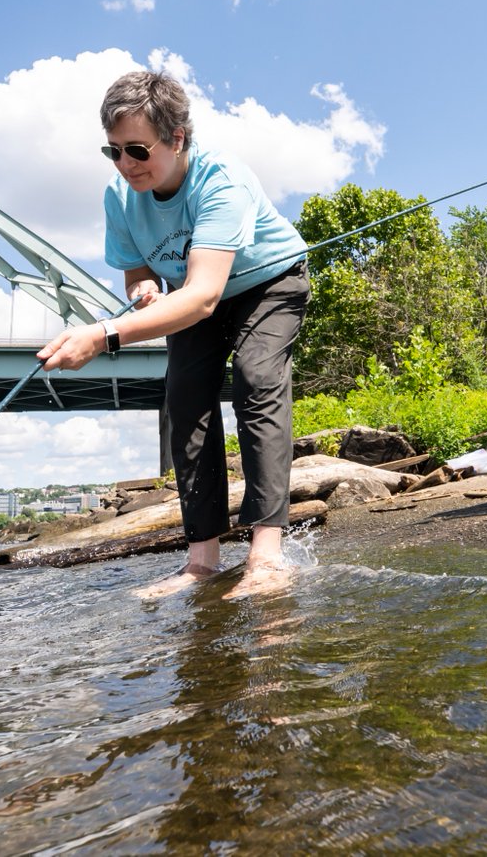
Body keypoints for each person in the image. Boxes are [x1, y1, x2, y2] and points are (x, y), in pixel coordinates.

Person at [37, 70, 310, 599]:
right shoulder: (120, 196)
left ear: (177, 138)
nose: (125, 165)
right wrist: (143, 292)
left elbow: (204, 296)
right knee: (185, 402)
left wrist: (103, 336)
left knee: (256, 380)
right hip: (190, 294)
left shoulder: (221, 179)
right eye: (112, 151)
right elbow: (140, 271)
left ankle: (267, 557)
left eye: (137, 150)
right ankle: (202, 562)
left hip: (268, 283)